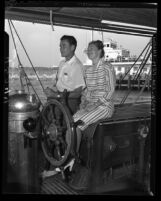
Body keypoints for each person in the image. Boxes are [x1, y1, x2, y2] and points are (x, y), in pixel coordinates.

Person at [73, 40, 116, 153]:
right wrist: (83, 102)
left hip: (104, 106)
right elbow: (87, 91)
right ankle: (68, 154)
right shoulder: (88, 70)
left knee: (77, 125)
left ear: (99, 51)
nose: (89, 51)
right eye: (88, 49)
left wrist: (95, 104)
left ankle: (72, 158)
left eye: (91, 48)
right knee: (71, 121)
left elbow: (110, 90)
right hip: (90, 105)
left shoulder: (107, 67)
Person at [44, 35, 85, 114]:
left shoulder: (77, 66)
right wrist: (52, 92)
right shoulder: (62, 63)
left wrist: (56, 95)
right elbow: (60, 84)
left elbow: (77, 93)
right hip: (59, 98)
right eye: (60, 46)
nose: (61, 49)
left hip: (70, 102)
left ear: (72, 47)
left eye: (64, 46)